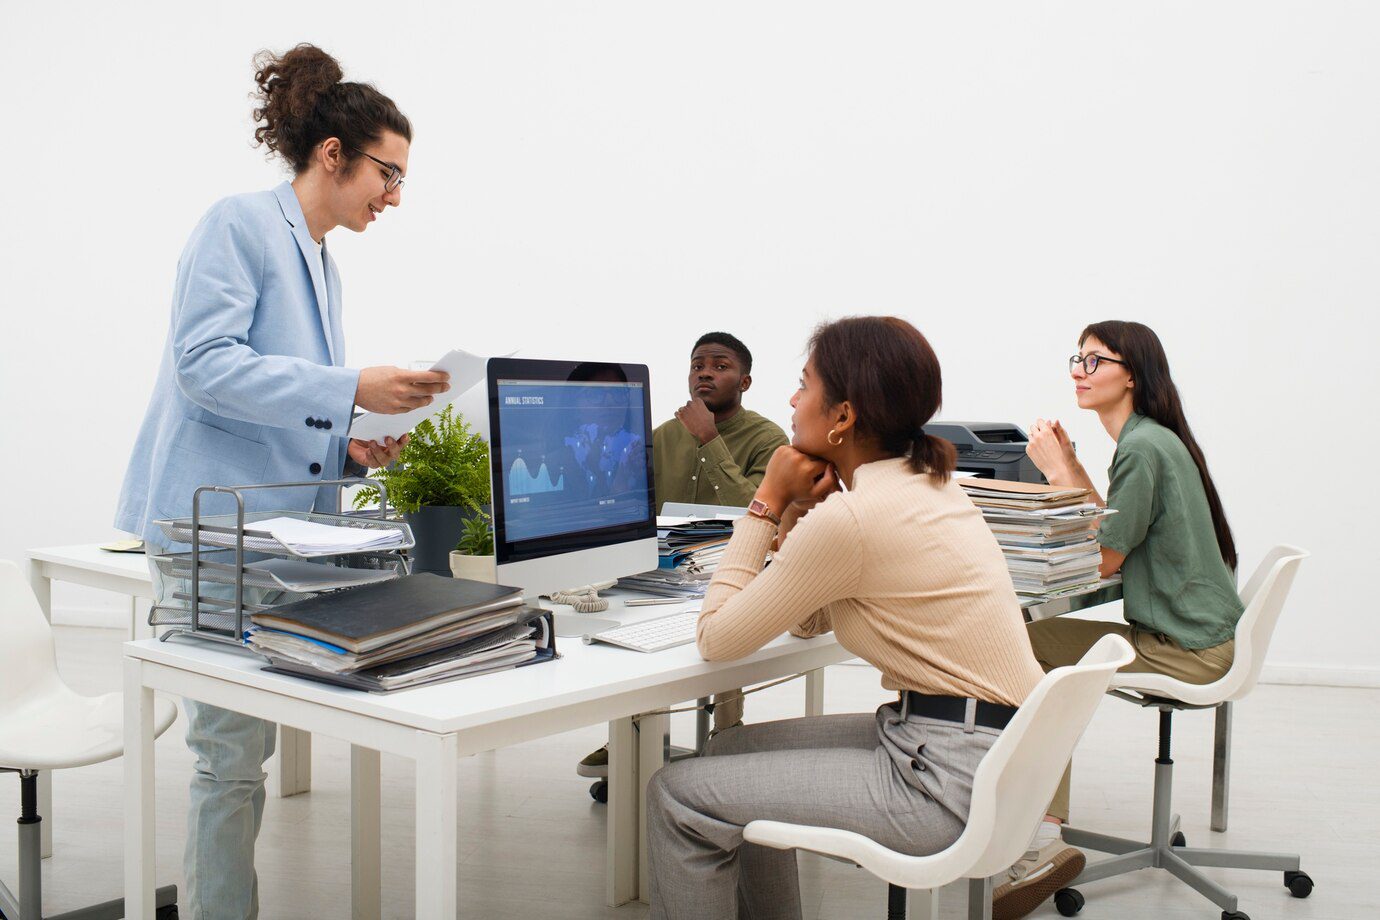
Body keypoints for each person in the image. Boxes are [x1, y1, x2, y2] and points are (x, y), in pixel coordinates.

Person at [114, 44, 449, 920]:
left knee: (242, 753)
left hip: (270, 534)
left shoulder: (320, 258)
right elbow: (205, 366)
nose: (395, 195)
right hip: (208, 530)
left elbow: (275, 398)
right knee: (228, 757)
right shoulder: (239, 224)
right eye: (388, 171)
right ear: (332, 154)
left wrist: (349, 445)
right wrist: (347, 390)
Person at [644, 316, 1046, 920]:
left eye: (803, 385)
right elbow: (809, 622)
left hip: (941, 780)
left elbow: (716, 640)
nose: (791, 400)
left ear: (843, 417)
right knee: (728, 748)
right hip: (981, 749)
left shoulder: (857, 517)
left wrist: (766, 501)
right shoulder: (924, 484)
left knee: (676, 794)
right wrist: (797, 516)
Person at [995, 320, 1243, 920]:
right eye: (1076, 360)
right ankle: (1035, 826)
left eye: (1094, 361)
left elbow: (1104, 556)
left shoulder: (1141, 447)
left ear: (1131, 373)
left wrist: (1056, 472)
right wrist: (1072, 469)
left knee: (1026, 650)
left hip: (1184, 647)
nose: (1078, 372)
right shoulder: (1151, 439)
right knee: (1031, 643)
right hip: (1199, 636)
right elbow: (1113, 524)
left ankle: (1041, 838)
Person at [576, 332, 787, 781]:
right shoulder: (662, 435)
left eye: (720, 365)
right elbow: (628, 506)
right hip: (662, 573)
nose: (705, 372)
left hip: (735, 569)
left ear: (744, 382)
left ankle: (726, 735)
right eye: (697, 365)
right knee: (628, 629)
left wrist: (709, 440)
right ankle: (632, 739)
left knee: (727, 625)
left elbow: (757, 510)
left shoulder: (767, 437)